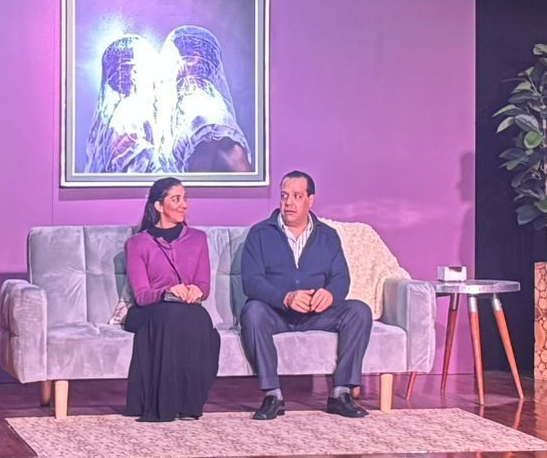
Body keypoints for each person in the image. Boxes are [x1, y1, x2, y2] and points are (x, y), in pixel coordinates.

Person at [239, 171, 371, 420]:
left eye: (297, 196)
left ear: (311, 200)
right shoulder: (260, 233)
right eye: (284, 196)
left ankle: (341, 393)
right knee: (252, 311)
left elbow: (341, 278)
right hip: (277, 314)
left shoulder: (328, 236)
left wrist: (330, 294)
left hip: (318, 314)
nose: (288, 202)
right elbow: (251, 281)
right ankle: (273, 396)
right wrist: (285, 298)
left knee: (359, 311)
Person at [122, 177, 221, 421]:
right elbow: (142, 295)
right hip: (149, 310)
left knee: (200, 317)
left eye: (185, 198)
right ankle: (164, 405)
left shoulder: (198, 239)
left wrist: (196, 291)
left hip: (185, 309)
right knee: (171, 315)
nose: (184, 204)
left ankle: (189, 404)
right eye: (176, 199)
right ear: (158, 205)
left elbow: (204, 286)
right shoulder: (137, 243)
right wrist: (168, 291)